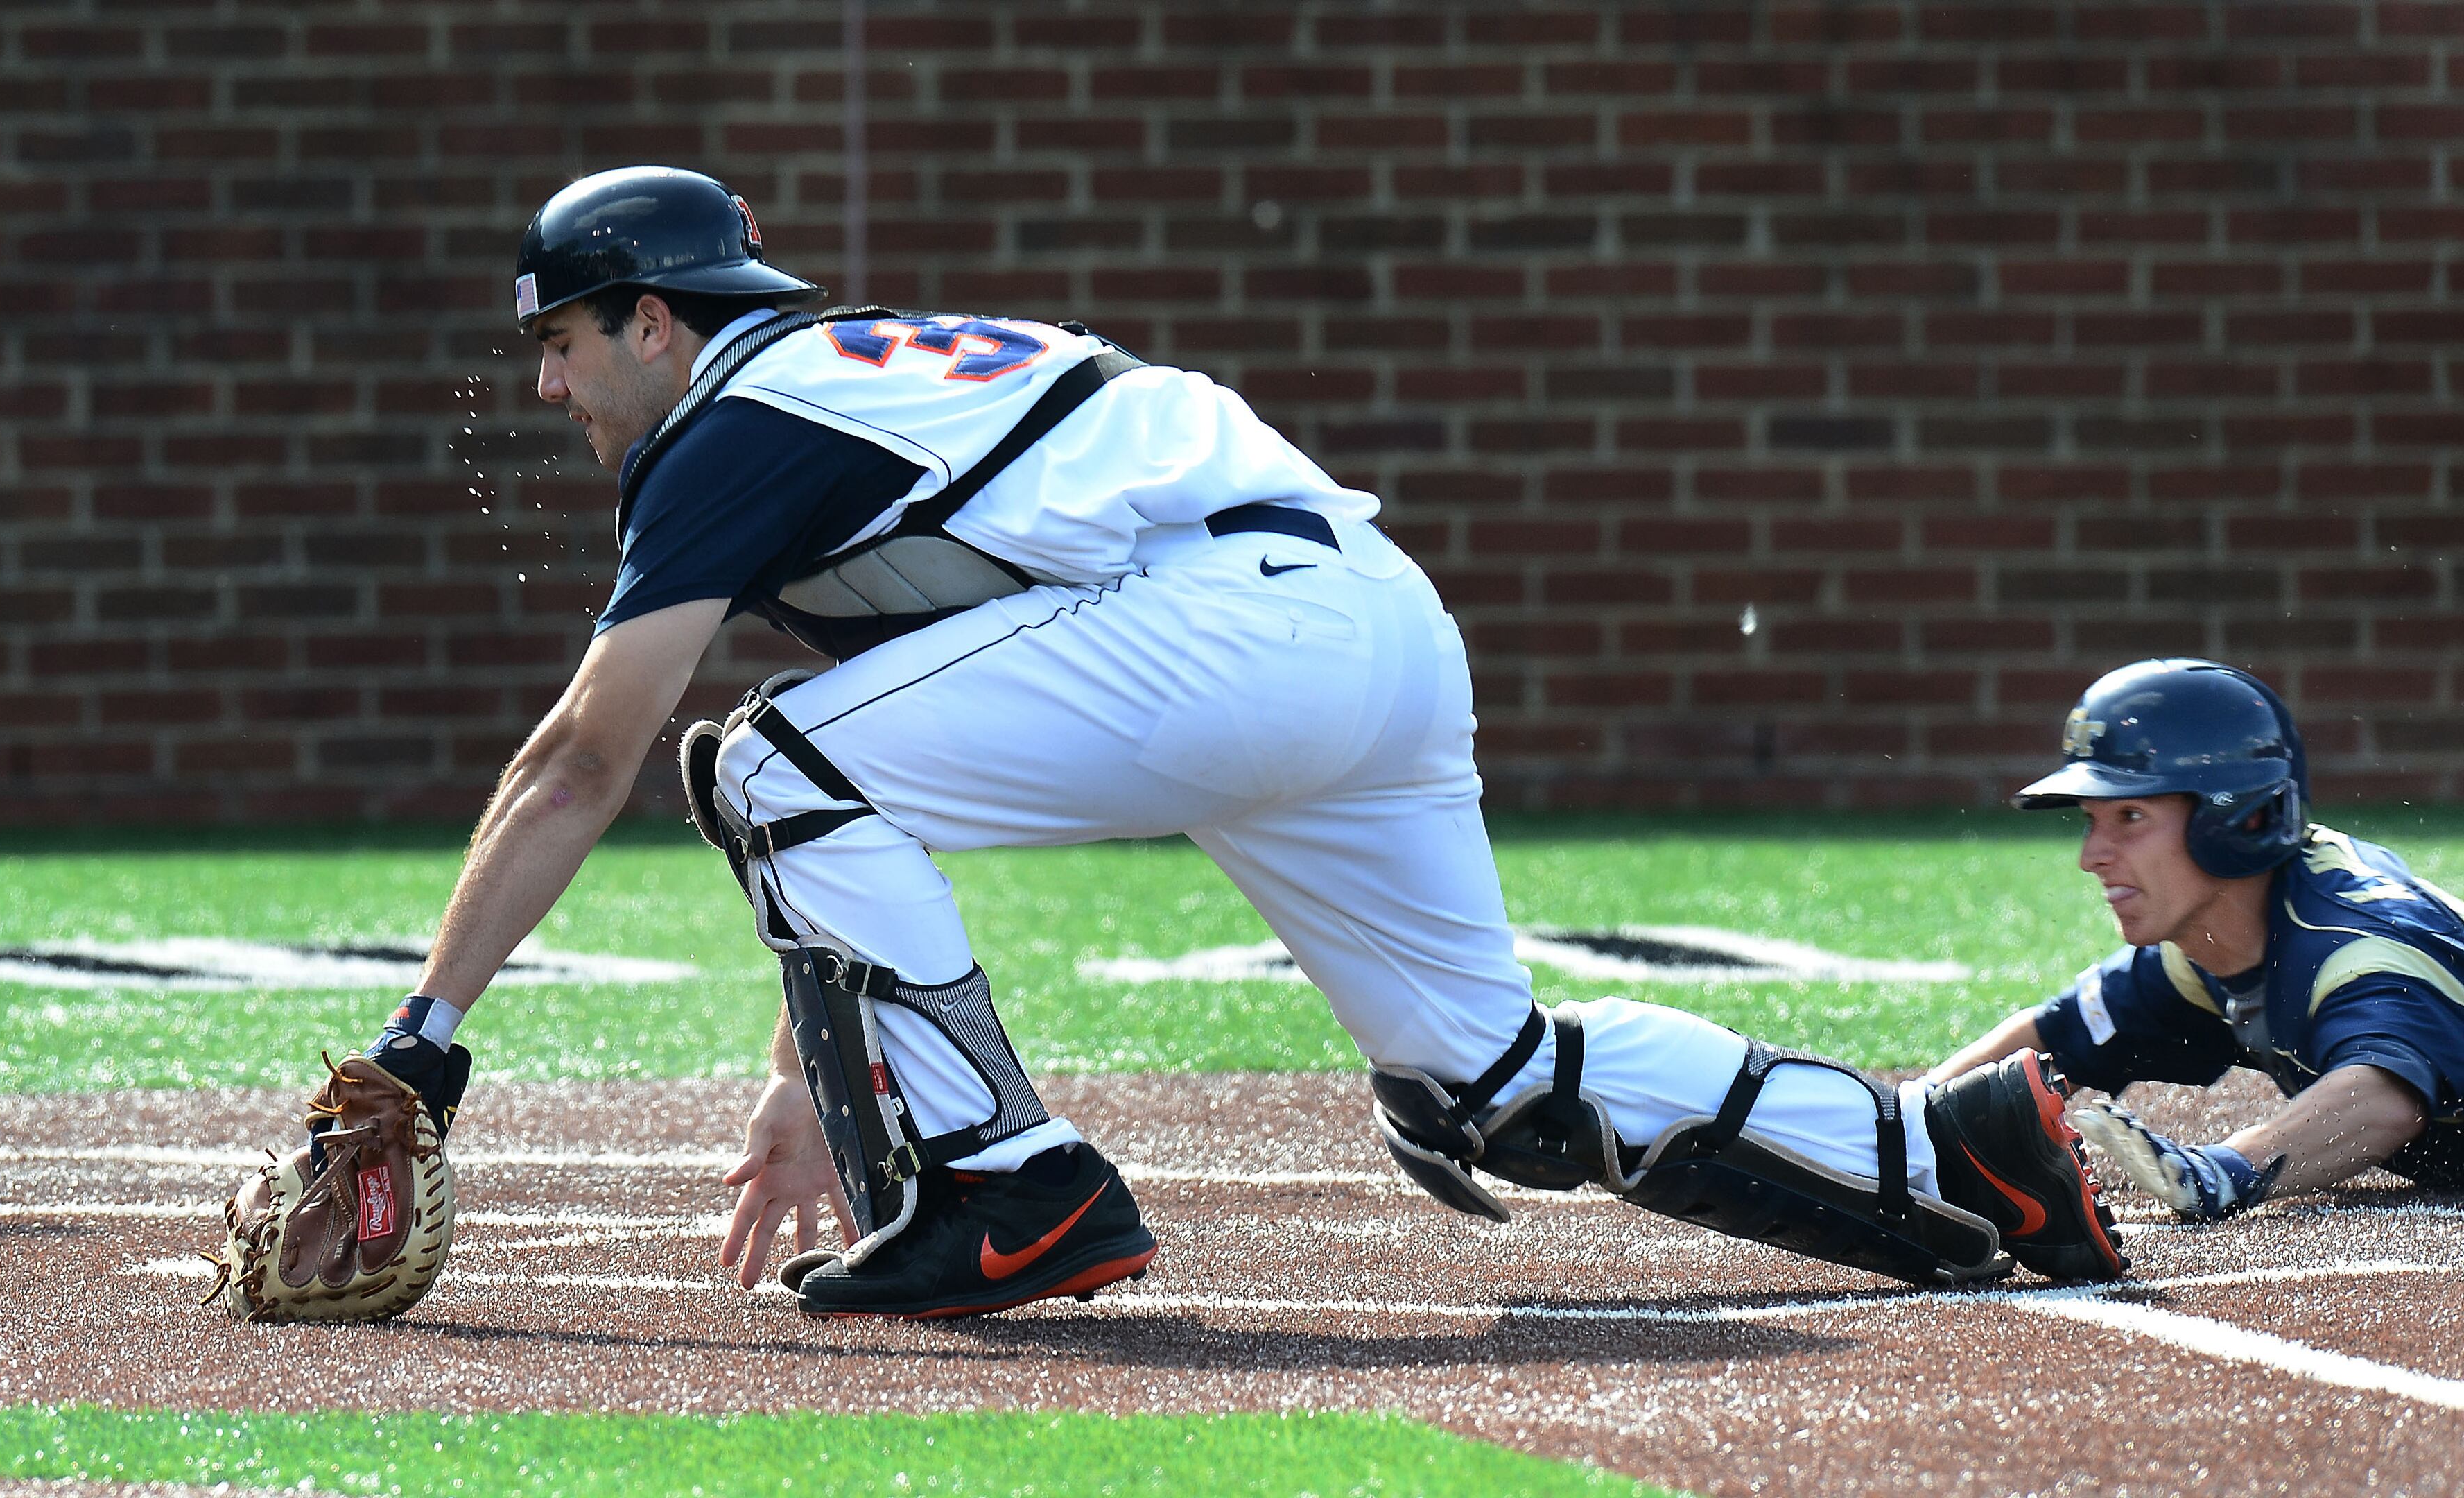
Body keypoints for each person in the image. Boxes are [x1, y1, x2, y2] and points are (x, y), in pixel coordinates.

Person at [331, 164, 2124, 1323]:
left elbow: (582, 760)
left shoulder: (739, 420)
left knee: (753, 754)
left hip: (1226, 629)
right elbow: (903, 764)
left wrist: (426, 1043)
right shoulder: (846, 391)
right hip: (1354, 623)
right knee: (1483, 1080)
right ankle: (1956, 1157)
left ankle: (1009, 1191)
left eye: (562, 341)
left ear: (657, 318)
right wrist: (813, 1078)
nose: (552, 388)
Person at [1925, 658, 2460, 1221]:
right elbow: (2055, 1037)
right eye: (2091, 819)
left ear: (2241, 819)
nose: (2091, 857)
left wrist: (2228, 1168)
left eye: (2130, 816)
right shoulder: (2214, 943)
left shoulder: (2352, 945)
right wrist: (1908, 1120)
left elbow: (2383, 1099)